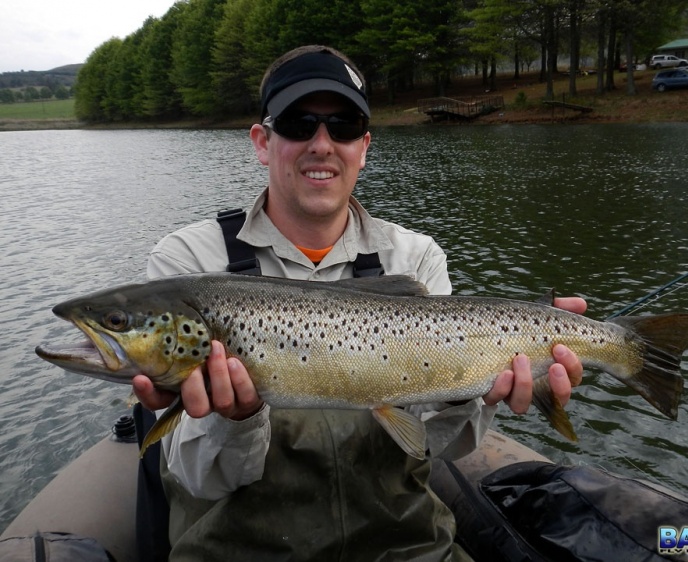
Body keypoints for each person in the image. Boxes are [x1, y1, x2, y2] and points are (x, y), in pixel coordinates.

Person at [134, 45, 586, 561]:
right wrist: (234, 419)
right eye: (299, 123)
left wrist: (476, 395)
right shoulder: (190, 262)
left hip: (409, 550)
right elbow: (197, 478)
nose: (322, 144)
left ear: (364, 146)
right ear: (263, 141)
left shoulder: (415, 257)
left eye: (344, 126)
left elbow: (430, 445)